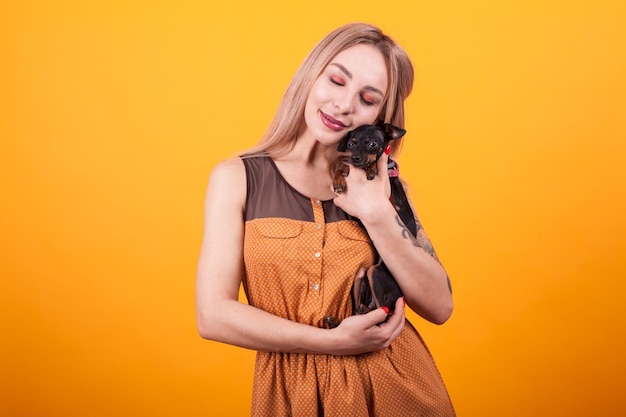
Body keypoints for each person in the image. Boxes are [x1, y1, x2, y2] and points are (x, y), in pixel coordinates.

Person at [196, 22, 455, 416]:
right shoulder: (237, 178)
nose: (345, 105)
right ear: (311, 76)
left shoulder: (381, 186)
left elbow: (440, 306)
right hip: (290, 396)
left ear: (380, 119)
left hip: (397, 391)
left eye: (367, 100)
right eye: (336, 80)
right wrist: (334, 342)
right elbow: (213, 316)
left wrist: (376, 211)